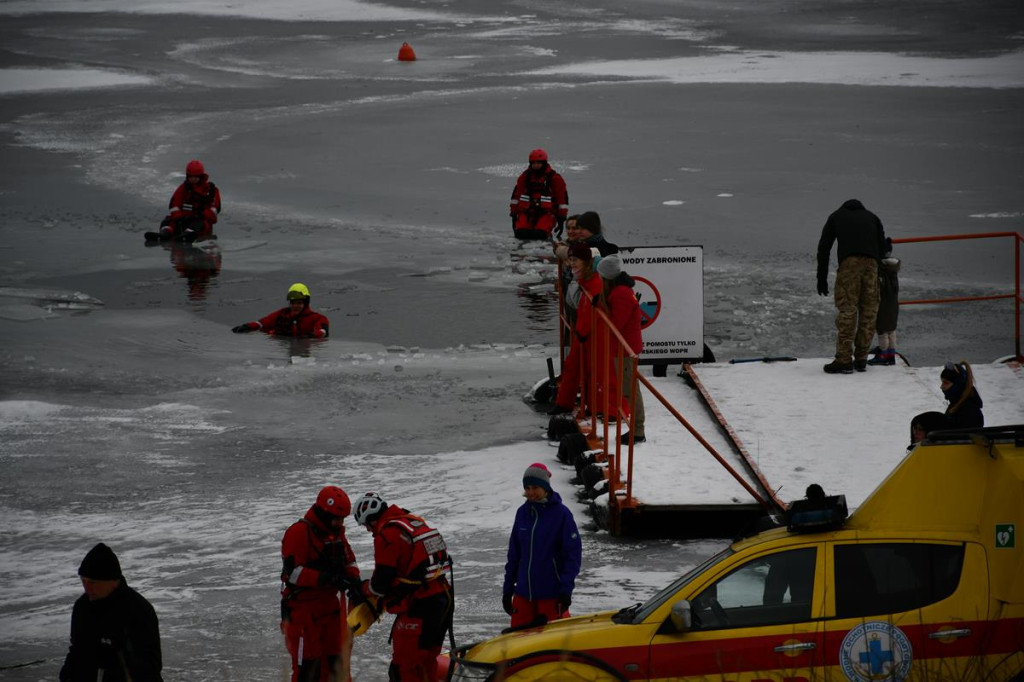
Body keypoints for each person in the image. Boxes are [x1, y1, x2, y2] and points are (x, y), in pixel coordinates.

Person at [352, 492, 454, 682]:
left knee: (403, 670)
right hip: (443, 599)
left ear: (372, 520)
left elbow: (380, 584)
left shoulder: (388, 534)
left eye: (366, 525)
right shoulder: (413, 522)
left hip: (420, 607)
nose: (368, 530)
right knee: (427, 663)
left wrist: (363, 589)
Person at [280, 486, 361, 682]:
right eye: (337, 518)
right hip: (303, 612)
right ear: (324, 513)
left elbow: (349, 560)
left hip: (330, 609)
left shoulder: (336, 532)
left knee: (336, 664)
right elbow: (292, 574)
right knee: (308, 670)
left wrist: (354, 581)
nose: (340, 523)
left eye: (342, 519)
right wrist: (327, 578)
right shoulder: (298, 533)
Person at [60, 543, 163, 682]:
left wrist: (115, 653)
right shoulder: (83, 606)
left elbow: (152, 665)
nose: (87, 588)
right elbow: (78, 651)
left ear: (113, 581)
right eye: (83, 581)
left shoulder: (138, 609)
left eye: (93, 582)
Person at [502, 463, 582, 629]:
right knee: (519, 645)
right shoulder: (522, 513)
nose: (531, 493)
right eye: (527, 488)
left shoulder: (562, 515)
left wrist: (566, 590)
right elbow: (514, 555)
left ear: (546, 487)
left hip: (551, 595)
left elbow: (572, 556)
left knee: (553, 647)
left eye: (535, 487)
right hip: (523, 595)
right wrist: (508, 589)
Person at [816, 199, 888, 374]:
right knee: (869, 312)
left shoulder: (836, 217)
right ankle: (862, 359)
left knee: (848, 310)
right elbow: (883, 248)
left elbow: (824, 248)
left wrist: (822, 278)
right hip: (872, 266)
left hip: (849, 266)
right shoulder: (873, 218)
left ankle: (844, 360)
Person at [597, 254, 646, 445]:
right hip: (623, 348)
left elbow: (616, 323)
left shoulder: (620, 294)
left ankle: (638, 431)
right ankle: (636, 428)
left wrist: (601, 305)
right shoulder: (619, 292)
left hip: (626, 349)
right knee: (629, 389)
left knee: (630, 390)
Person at [550, 243, 604, 415]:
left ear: (587, 262)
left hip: (592, 334)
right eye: (571, 260)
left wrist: (584, 332)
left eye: (576, 260)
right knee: (572, 368)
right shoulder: (582, 279)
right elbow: (575, 303)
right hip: (582, 332)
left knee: (591, 371)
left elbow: (593, 311)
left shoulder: (594, 281)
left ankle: (595, 408)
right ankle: (564, 404)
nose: (572, 263)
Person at [908, 360, 985, 447]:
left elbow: (965, 443)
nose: (941, 387)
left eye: (946, 383)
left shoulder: (969, 411)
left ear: (957, 385)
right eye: (942, 382)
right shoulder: (955, 406)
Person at [509, 149, 569, 240]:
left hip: (546, 213)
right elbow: (516, 196)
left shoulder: (554, 178)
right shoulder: (525, 177)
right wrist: (513, 213)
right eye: (533, 163)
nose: (535, 165)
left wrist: (561, 217)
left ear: (544, 163)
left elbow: (562, 199)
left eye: (538, 163)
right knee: (520, 234)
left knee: (540, 235)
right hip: (527, 213)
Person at [232, 282, 329, 338]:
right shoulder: (282, 314)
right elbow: (262, 323)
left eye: (299, 303)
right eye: (292, 303)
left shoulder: (317, 318)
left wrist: (310, 335)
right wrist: (247, 326)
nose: (295, 306)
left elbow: (323, 332)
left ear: (306, 303)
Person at [159, 159, 222, 241]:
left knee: (198, 224)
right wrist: (178, 216)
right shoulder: (184, 187)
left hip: (201, 222)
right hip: (184, 219)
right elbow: (174, 204)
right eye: (190, 176)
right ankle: (166, 233)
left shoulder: (211, 190)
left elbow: (214, 210)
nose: (193, 179)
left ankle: (189, 234)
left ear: (201, 176)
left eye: (196, 177)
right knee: (168, 220)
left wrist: (201, 215)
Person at [868, 241, 900, 366]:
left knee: (882, 330)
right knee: (891, 329)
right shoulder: (892, 268)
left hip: (883, 305)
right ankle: (891, 354)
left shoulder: (881, 269)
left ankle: (883, 354)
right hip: (893, 305)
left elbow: (878, 288)